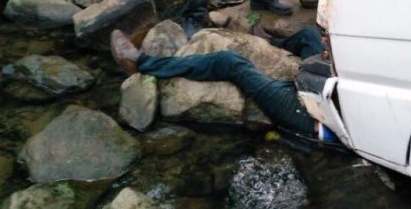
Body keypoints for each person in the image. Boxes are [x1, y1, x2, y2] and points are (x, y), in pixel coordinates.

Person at [110, 27, 338, 143]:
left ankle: (142, 62)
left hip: (312, 114)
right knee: (310, 34)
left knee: (230, 62)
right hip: (326, 82)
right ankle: (272, 44)